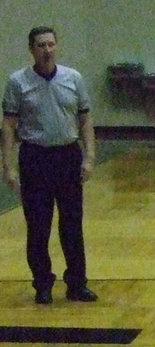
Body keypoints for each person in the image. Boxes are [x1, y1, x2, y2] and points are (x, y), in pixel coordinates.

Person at [1, 26, 97, 305]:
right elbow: (8, 126)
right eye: (41, 45)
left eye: (51, 44)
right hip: (35, 158)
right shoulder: (18, 82)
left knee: (72, 224)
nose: (47, 50)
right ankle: (42, 284)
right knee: (38, 226)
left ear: (57, 46)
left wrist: (89, 156)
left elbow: (85, 119)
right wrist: (8, 166)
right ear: (31, 49)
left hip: (67, 155)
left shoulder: (73, 78)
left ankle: (77, 283)